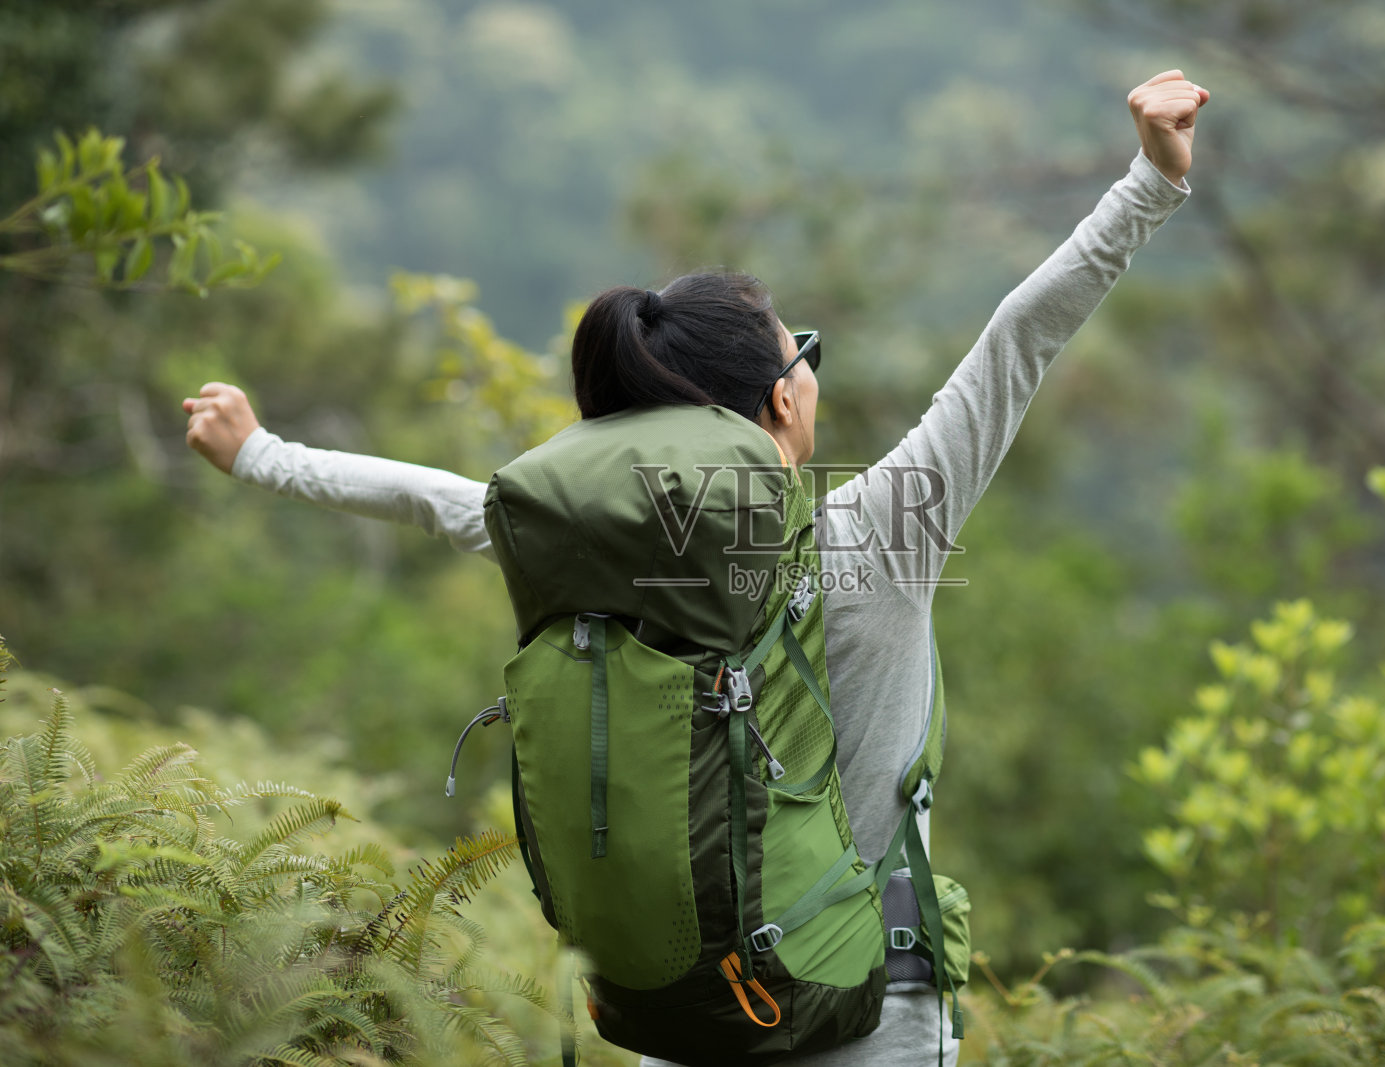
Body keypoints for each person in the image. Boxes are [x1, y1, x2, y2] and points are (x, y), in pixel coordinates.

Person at [184, 69, 1207, 1066]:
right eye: (801, 353)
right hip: (864, 1004)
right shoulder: (887, 526)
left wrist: (263, 454)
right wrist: (1149, 182)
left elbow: (439, 496)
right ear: (778, 403)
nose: (811, 370)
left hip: (687, 1005)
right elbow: (1017, 336)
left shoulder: (598, 554)